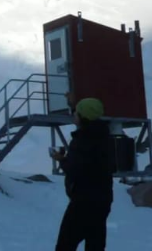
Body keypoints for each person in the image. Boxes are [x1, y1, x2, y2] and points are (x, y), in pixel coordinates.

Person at [52, 98, 115, 251]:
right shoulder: (103, 135)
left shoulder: (82, 139)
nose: (74, 115)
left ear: (82, 117)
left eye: (76, 112)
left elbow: (75, 169)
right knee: (95, 244)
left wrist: (61, 159)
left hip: (83, 201)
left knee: (65, 245)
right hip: (103, 198)